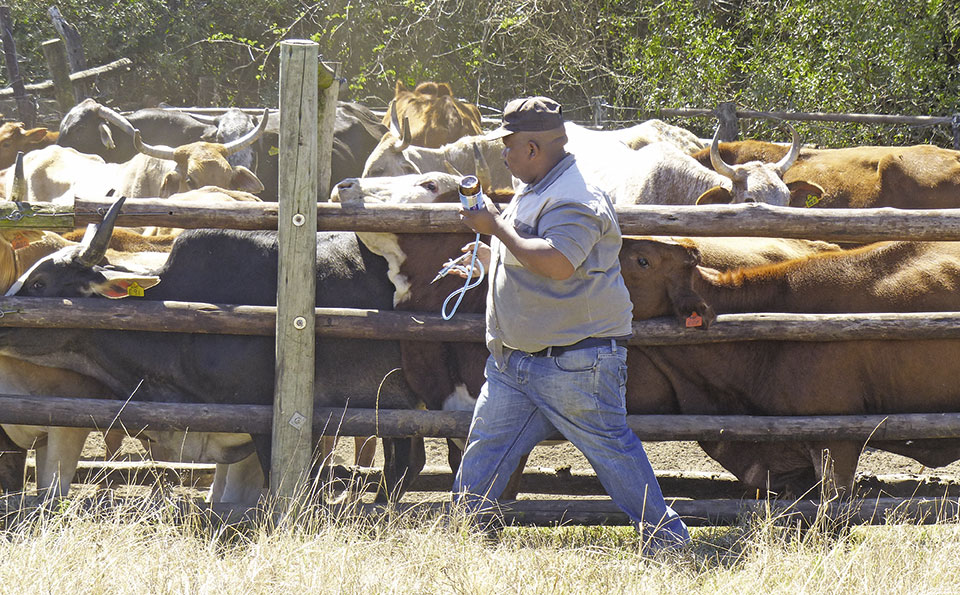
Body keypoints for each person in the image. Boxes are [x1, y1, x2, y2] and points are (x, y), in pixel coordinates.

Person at [450, 96, 690, 551]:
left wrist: (495, 228)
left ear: (534, 148)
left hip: (574, 361)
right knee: (485, 450)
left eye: (509, 146)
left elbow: (559, 262)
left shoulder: (576, 197)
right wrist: (490, 257)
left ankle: (670, 543)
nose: (503, 154)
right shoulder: (540, 185)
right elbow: (531, 248)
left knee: (613, 455)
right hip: (519, 359)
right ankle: (460, 540)